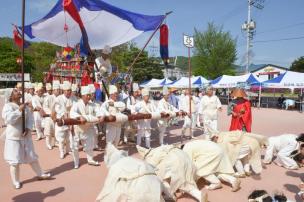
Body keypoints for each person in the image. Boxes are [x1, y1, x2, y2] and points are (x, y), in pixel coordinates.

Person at [2, 88, 50, 189]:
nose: (19, 92)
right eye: (15, 91)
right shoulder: (8, 106)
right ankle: (16, 181)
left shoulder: (24, 105)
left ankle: (40, 173)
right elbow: (9, 120)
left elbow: (30, 118)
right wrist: (19, 110)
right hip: (14, 137)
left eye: (18, 91)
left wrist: (28, 128)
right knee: (14, 160)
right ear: (10, 96)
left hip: (26, 136)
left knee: (32, 156)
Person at [96, 143, 173, 202]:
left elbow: (108, 187)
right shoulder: (135, 160)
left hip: (138, 193)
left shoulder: (115, 167)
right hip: (154, 188)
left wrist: (99, 198)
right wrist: (169, 195)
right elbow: (156, 177)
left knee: (116, 191)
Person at [137, 145, 208, 202]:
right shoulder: (160, 148)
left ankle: (171, 195)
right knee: (184, 180)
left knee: (161, 178)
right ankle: (172, 193)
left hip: (175, 161)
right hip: (184, 158)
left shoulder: (149, 156)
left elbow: (151, 172)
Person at [70, 86, 102, 168]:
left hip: (88, 128)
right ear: (82, 95)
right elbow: (72, 113)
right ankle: (76, 162)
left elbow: (98, 112)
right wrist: (79, 116)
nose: (89, 97)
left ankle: (90, 160)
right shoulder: (76, 104)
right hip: (77, 128)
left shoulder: (93, 105)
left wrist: (100, 116)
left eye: (89, 95)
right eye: (87, 95)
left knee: (89, 145)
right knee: (75, 147)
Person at [53, 81, 74, 159]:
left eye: (70, 90)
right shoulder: (59, 98)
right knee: (61, 139)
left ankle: (68, 150)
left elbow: (74, 108)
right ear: (64, 91)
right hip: (61, 121)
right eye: (67, 90)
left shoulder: (73, 98)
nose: (69, 92)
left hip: (70, 120)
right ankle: (62, 151)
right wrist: (64, 115)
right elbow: (57, 109)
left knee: (69, 137)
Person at [42, 81, 60, 150]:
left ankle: (55, 142)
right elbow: (45, 107)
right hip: (49, 117)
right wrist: (51, 113)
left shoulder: (60, 98)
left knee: (56, 131)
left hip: (57, 117)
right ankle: (48, 144)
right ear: (53, 90)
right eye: (57, 90)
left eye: (59, 90)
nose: (58, 91)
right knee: (48, 131)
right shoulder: (48, 97)